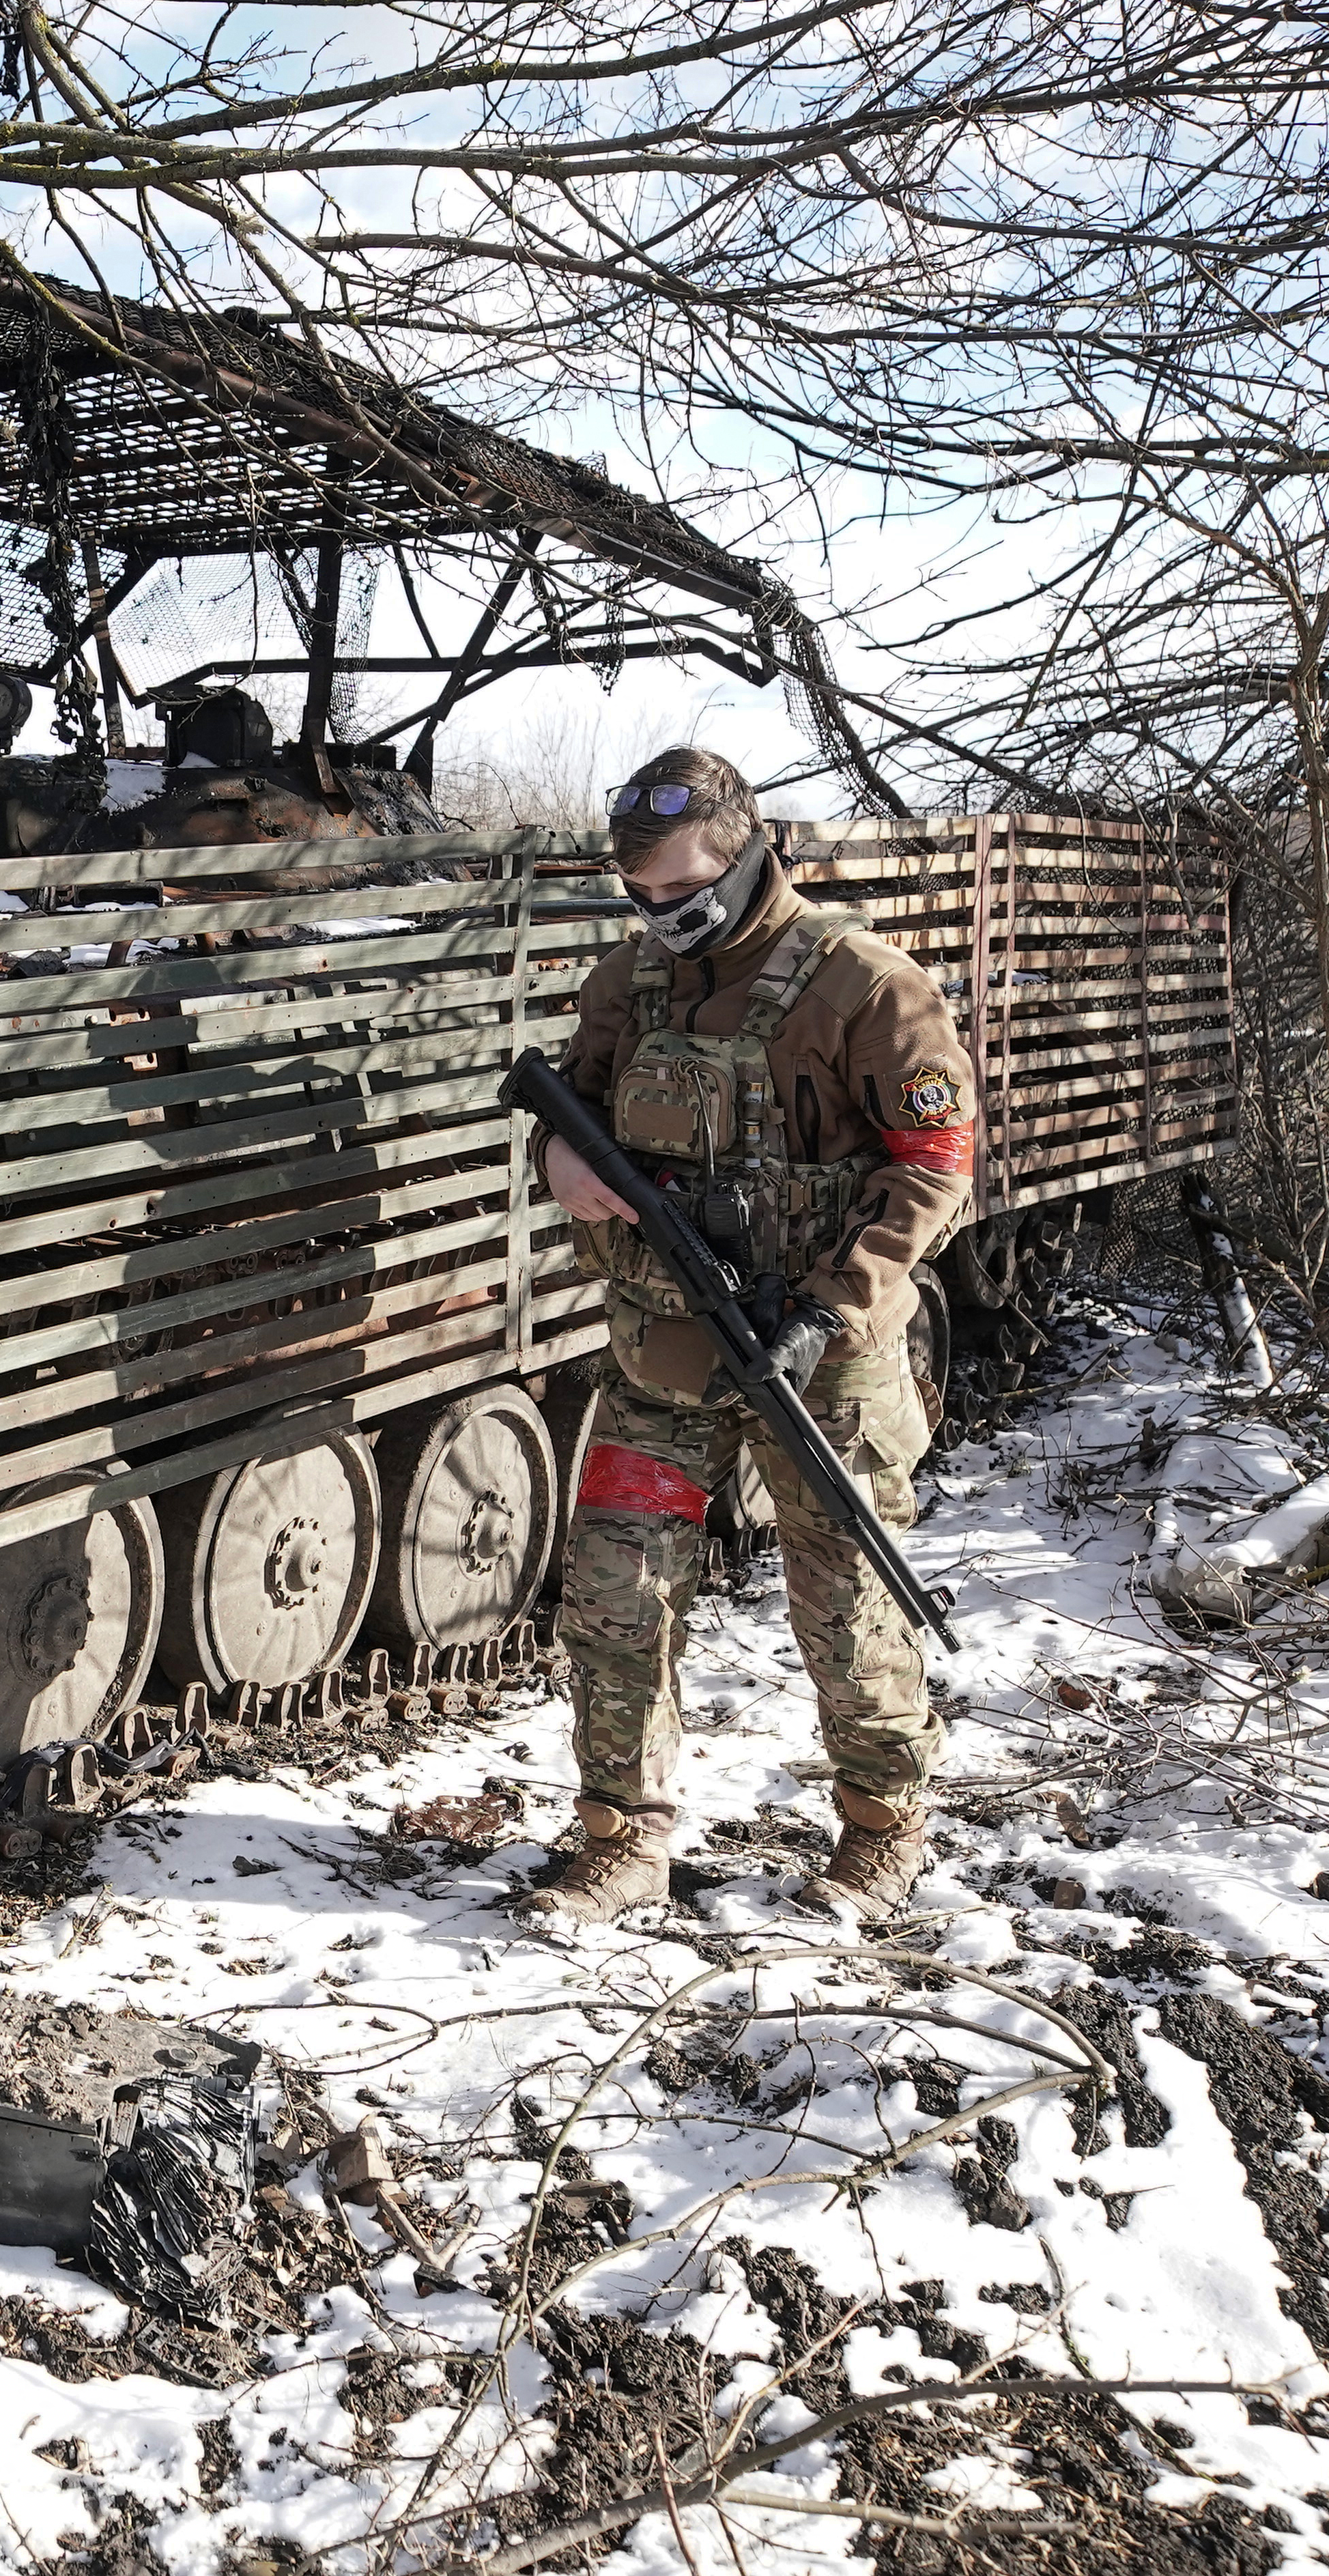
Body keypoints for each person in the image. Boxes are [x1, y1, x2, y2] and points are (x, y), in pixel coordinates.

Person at [519, 747, 977, 1929]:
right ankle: (622, 1837)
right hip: (663, 1352)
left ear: (747, 850)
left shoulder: (866, 986)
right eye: (639, 896)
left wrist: (830, 1312)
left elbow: (934, 1172)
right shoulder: (631, 980)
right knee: (617, 1594)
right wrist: (558, 1162)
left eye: (680, 893)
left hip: (823, 1355)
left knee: (846, 1600)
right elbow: (572, 1107)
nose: (659, 917)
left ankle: (883, 1831)